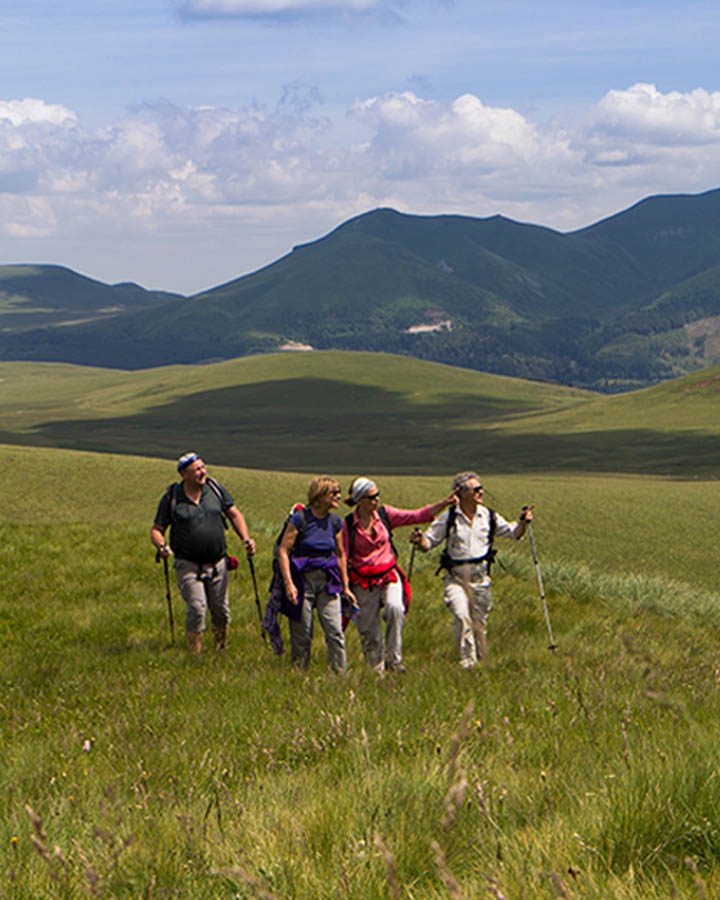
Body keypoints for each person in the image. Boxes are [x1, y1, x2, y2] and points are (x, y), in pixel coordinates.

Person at [411, 471, 533, 668]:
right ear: (462, 493)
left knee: (478, 623)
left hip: (480, 579)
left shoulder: (489, 516)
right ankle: (467, 663)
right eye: (476, 489)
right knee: (461, 616)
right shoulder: (448, 517)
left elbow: (514, 533)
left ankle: (481, 662)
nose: (481, 491)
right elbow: (429, 542)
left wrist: (522, 522)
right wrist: (419, 541)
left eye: (480, 488)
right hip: (455, 578)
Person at [342, 477, 454, 674]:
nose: (376, 500)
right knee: (369, 629)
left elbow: (416, 515)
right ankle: (375, 670)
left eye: (377, 496)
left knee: (395, 608)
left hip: (388, 574)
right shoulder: (348, 525)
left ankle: (394, 660)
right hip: (362, 580)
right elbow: (342, 556)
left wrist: (444, 503)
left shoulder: (385, 515)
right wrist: (344, 586)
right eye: (371, 497)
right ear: (359, 500)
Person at [150, 452, 255, 653]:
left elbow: (233, 513)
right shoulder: (173, 497)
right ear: (184, 474)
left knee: (221, 612)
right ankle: (195, 654)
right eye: (197, 469)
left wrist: (246, 539)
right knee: (197, 609)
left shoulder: (214, 489)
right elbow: (156, 529)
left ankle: (220, 648)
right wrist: (161, 546)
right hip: (187, 563)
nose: (202, 472)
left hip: (217, 562)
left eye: (203, 467)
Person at [275, 476, 356, 672]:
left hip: (328, 581)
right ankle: (300, 676)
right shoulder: (300, 519)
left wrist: (345, 586)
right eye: (333, 493)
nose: (338, 496)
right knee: (303, 634)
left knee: (335, 631)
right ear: (320, 496)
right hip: (303, 581)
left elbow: (339, 554)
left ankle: (340, 676)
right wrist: (289, 584)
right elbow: (283, 551)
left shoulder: (335, 522)